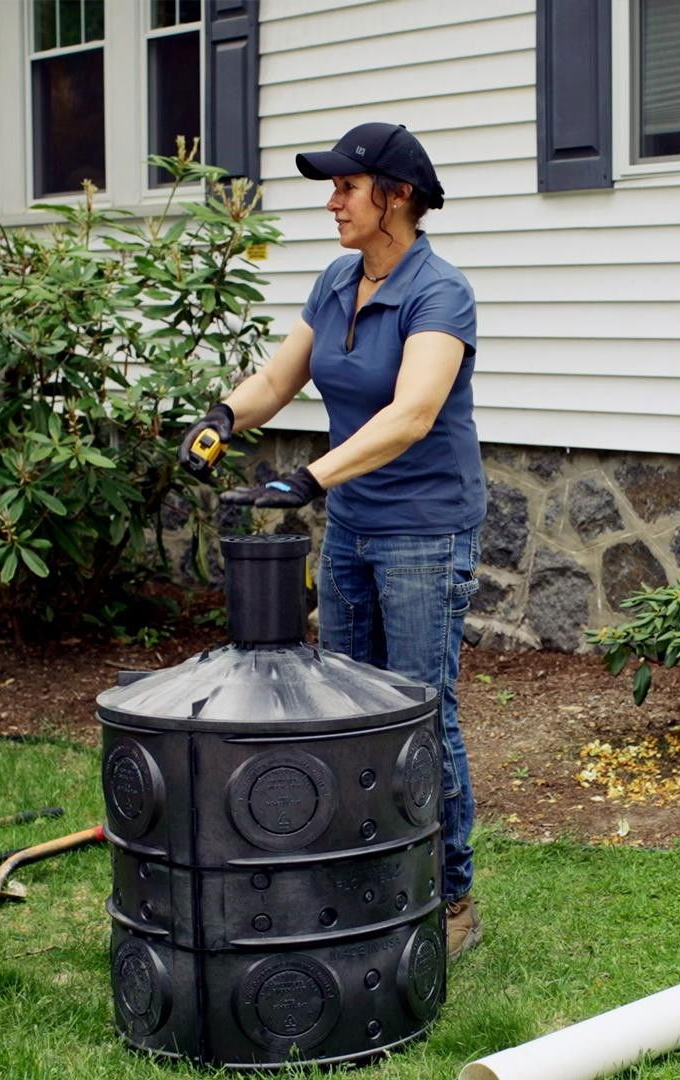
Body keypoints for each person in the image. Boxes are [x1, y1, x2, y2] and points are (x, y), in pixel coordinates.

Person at [180, 122, 486, 961]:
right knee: (346, 716)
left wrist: (313, 477)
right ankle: (365, 882)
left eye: (347, 188)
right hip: (355, 527)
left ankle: (450, 897)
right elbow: (280, 379)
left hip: (424, 529)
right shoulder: (337, 280)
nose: (333, 202)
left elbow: (413, 414)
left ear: (396, 197)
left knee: (422, 710)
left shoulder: (439, 292)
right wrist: (222, 417)